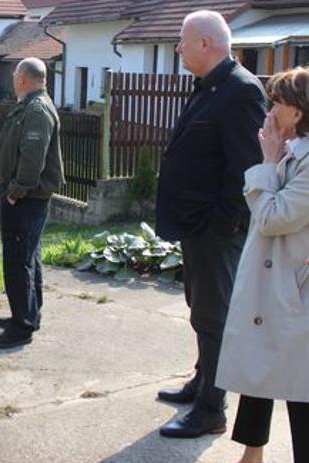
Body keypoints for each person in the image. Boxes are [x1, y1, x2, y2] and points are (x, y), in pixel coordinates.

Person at [154, 11, 267, 438]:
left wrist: (221, 225)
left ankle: (211, 409)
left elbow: (245, 166)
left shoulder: (239, 90)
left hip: (215, 230)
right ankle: (202, 382)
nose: (178, 49)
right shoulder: (211, 86)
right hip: (197, 226)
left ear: (205, 43)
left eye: (183, 42)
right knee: (200, 311)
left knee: (213, 318)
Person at [215, 67, 309, 463]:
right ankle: (252, 453)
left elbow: (273, 216)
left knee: (300, 384)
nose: (269, 111)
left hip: (295, 288)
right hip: (277, 284)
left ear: (298, 112)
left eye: (277, 103)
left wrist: (267, 162)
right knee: (260, 368)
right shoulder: (293, 152)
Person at [0, 57, 64, 349]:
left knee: (18, 261)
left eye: (14, 77)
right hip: (25, 198)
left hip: (25, 199)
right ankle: (27, 315)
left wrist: (15, 190)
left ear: (22, 78)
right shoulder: (32, 105)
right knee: (29, 257)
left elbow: (33, 158)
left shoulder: (36, 109)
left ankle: (21, 327)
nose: (13, 81)